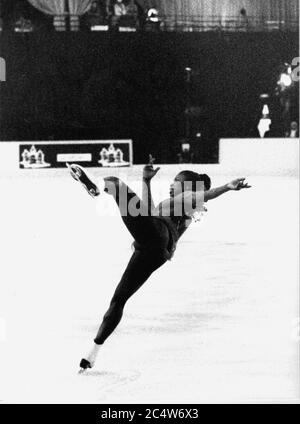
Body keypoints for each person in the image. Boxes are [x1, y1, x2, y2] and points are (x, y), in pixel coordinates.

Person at [67, 156, 251, 371]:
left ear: (186, 186)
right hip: (155, 251)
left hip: (156, 236)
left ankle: (96, 189)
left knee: (114, 183)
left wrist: (227, 187)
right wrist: (146, 182)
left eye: (175, 181)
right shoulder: (183, 209)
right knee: (118, 301)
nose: (171, 184)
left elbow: (204, 195)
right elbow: (148, 213)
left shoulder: (187, 197)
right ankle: (92, 354)